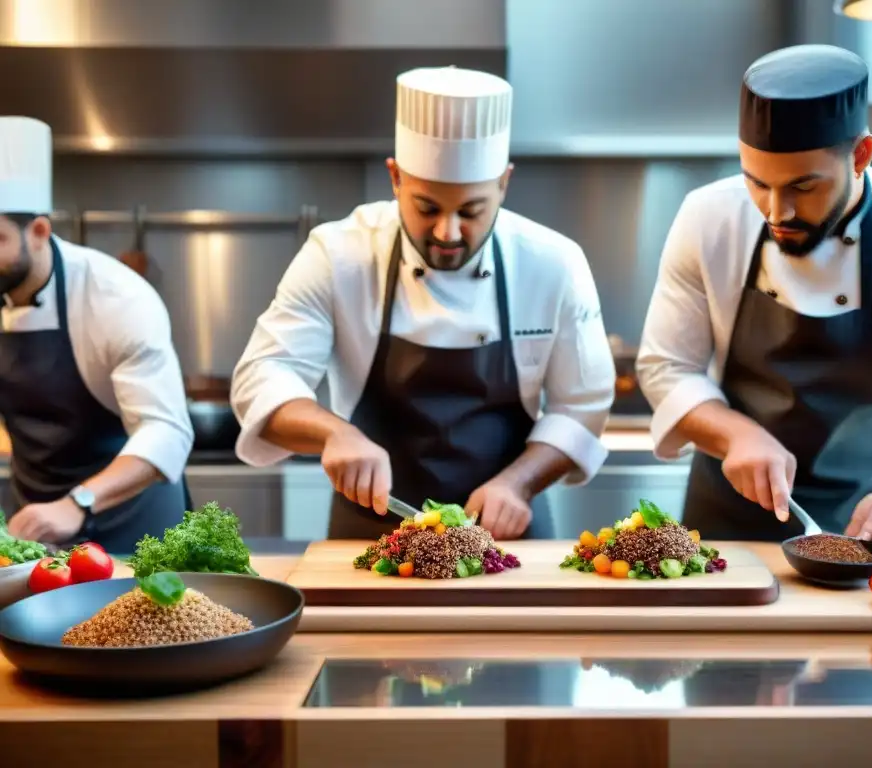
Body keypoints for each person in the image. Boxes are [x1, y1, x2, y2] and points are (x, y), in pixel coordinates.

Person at [636, 45, 872, 553]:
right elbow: (666, 366)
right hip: (719, 527)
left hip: (870, 520)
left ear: (861, 156)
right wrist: (733, 435)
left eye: (803, 187)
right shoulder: (706, 219)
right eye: (756, 183)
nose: (777, 210)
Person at [230, 66, 615, 540]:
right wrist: (334, 432)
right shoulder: (339, 254)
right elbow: (264, 373)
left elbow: (582, 407)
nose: (448, 233)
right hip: (372, 529)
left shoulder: (552, 263)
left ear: (504, 184)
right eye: (427, 207)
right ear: (395, 178)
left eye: (472, 211)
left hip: (507, 527)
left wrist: (519, 483)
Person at [0, 117, 194, 552]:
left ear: (39, 233)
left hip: (133, 520)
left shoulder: (115, 296)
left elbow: (166, 431)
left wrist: (78, 502)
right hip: (35, 524)